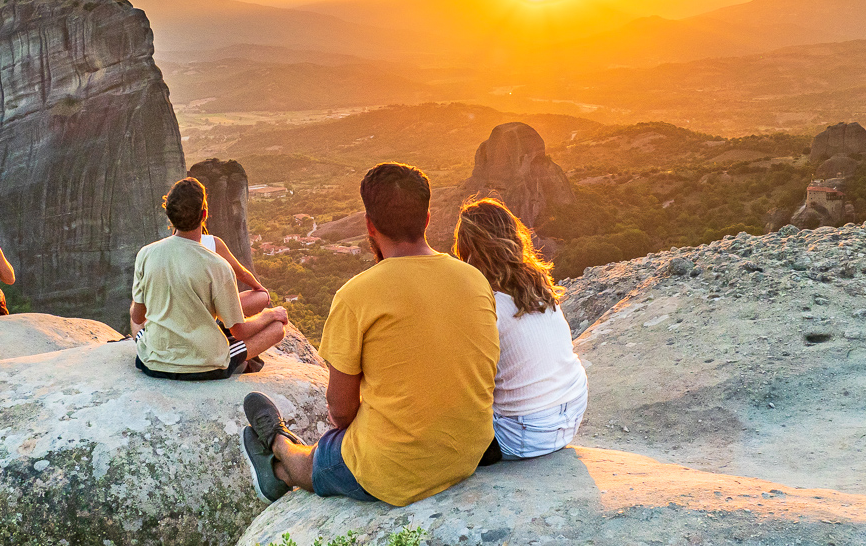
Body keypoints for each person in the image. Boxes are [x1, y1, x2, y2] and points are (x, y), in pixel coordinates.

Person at [239, 163, 499, 507]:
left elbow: (341, 411)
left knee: (327, 454)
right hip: (469, 452)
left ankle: (279, 454)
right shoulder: (474, 280)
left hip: (394, 472)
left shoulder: (356, 295)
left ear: (369, 225)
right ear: (427, 219)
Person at [453, 198, 587, 458]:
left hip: (525, 434)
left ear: (467, 250)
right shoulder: (536, 284)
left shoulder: (485, 304)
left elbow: (468, 382)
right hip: (572, 409)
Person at [129, 178, 287, 381]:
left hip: (152, 362)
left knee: (135, 309)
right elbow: (239, 332)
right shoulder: (218, 266)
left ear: (169, 214)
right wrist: (271, 314)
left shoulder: (146, 253)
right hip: (206, 365)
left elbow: (138, 317)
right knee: (277, 329)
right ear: (204, 215)